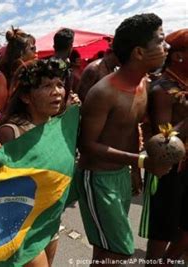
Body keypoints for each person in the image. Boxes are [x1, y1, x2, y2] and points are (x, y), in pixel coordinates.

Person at [75, 13, 171, 264]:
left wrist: (132, 171)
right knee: (120, 250)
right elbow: (86, 145)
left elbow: (129, 131)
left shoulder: (144, 85)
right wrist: (139, 162)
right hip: (96, 180)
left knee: (105, 249)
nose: (166, 46)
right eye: (160, 41)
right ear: (139, 52)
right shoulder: (104, 92)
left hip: (120, 177)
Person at [0, 58, 71, 266]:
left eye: (60, 85)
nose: (57, 92)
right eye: (47, 86)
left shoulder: (60, 127)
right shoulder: (11, 133)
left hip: (50, 221)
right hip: (20, 229)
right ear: (27, 97)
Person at [140, 28, 188, 263]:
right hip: (168, 170)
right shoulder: (163, 89)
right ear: (179, 56)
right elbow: (164, 140)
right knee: (161, 234)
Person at [0, 27, 37, 112]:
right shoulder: (2, 77)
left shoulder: (33, 72)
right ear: (21, 53)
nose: (36, 51)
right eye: (32, 48)